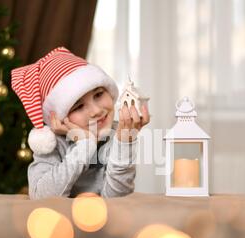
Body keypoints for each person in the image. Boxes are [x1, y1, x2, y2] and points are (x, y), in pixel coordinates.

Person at [11, 47, 150, 199]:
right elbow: (42, 198)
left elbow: (117, 200)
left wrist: (124, 143)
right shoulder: (51, 144)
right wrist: (85, 145)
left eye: (98, 94)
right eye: (78, 106)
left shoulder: (116, 135)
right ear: (59, 118)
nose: (96, 110)